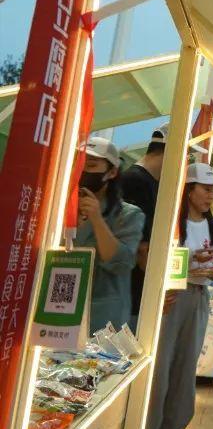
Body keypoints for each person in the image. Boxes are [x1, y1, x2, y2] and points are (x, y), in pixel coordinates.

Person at [144, 162, 213, 429]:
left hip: (197, 297)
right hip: (169, 299)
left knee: (183, 373)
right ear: (189, 189)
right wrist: (190, 262)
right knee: (159, 373)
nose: (210, 196)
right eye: (206, 189)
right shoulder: (171, 222)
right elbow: (153, 259)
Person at [77, 136, 144, 330]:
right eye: (79, 164)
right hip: (60, 308)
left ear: (112, 172)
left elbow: (122, 263)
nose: (84, 171)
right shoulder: (61, 208)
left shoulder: (128, 215)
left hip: (102, 318)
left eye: (91, 165)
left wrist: (96, 218)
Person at [120, 122, 168, 328]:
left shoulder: (152, 182)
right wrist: (159, 288)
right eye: (186, 155)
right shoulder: (136, 181)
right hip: (131, 293)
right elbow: (141, 247)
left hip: (138, 293)